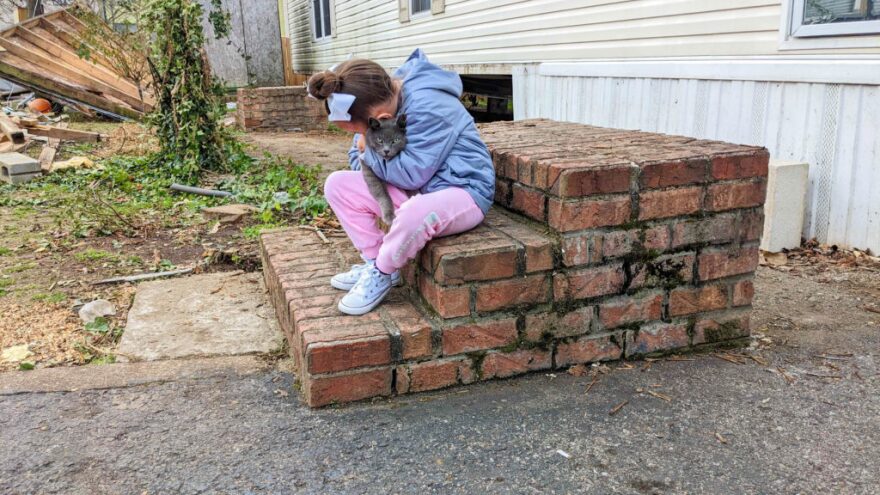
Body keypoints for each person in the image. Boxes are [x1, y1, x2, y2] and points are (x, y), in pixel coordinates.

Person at [307, 48, 494, 316]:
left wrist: (367, 150)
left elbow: (410, 173)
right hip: (417, 189)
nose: (360, 137)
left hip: (462, 191)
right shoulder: (373, 104)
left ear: (381, 118)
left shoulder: (430, 106)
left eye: (360, 131)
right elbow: (357, 158)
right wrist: (364, 147)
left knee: (414, 213)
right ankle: (374, 260)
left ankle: (383, 271)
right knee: (337, 184)